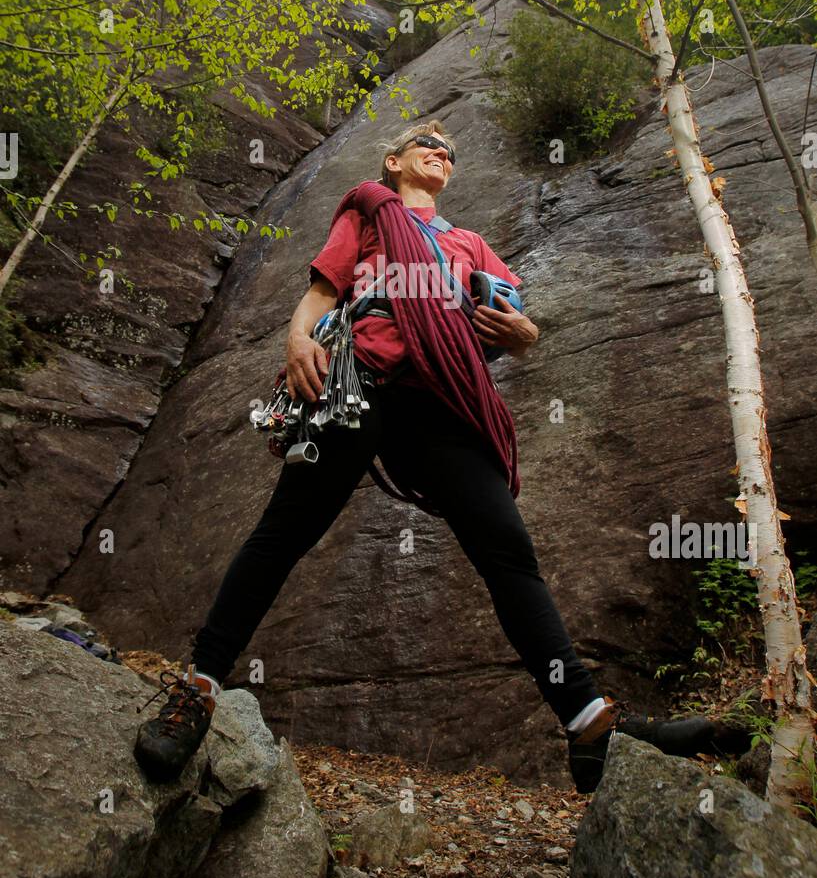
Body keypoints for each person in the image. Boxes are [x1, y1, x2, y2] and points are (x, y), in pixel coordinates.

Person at [134, 121, 739, 793]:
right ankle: (197, 689)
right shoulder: (368, 210)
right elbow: (323, 290)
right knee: (284, 533)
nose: (439, 147)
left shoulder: (468, 244)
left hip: (442, 403)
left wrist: (524, 334)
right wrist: (298, 339)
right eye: (424, 139)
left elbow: (517, 322)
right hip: (360, 377)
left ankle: (589, 725)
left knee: (507, 549)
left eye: (449, 146)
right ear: (392, 162)